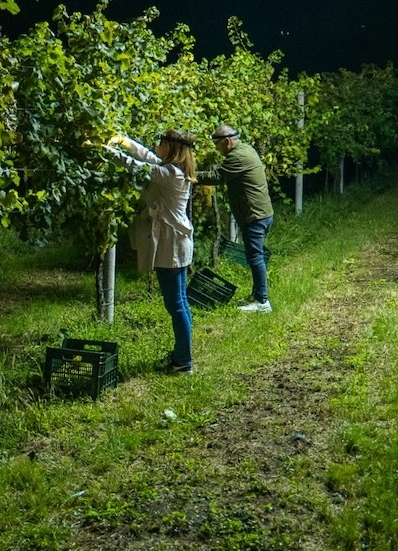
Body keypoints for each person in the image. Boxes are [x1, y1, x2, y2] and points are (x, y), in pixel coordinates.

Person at [107, 130, 197, 375]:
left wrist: (104, 150)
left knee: (176, 304)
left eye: (161, 143)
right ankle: (182, 356)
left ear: (171, 148)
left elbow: (135, 165)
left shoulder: (169, 174)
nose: (157, 146)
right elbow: (145, 156)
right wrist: (125, 142)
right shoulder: (172, 170)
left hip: (171, 245)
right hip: (177, 243)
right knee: (180, 303)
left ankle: (184, 362)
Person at [198, 125, 274, 313]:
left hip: (254, 215)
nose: (217, 149)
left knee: (255, 257)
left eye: (217, 144)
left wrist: (188, 175)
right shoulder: (246, 149)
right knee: (255, 256)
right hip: (261, 212)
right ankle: (257, 295)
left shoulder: (237, 156)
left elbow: (217, 176)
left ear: (227, 141)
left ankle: (262, 302)